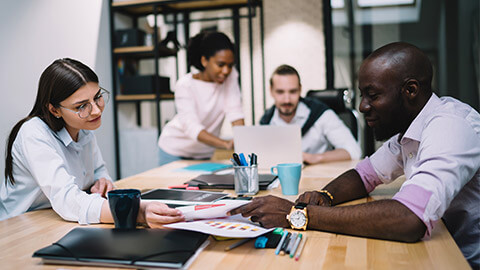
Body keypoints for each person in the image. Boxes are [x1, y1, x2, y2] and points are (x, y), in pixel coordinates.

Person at [229, 42, 480, 268]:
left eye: (373, 95)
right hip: (443, 246)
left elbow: (408, 218)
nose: (362, 106)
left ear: (410, 90)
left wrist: (298, 215)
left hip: (464, 258)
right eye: (362, 95)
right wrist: (324, 196)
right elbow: (364, 175)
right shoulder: (410, 131)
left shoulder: (450, 127)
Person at [1, 58, 184, 227]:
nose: (96, 111)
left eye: (97, 97)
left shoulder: (83, 128)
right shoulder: (34, 133)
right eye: (81, 106)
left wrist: (102, 183)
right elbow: (67, 200)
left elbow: (99, 172)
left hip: (56, 220)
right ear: (54, 110)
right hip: (19, 226)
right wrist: (138, 212)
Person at [157, 31, 245, 165]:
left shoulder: (231, 77)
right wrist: (225, 144)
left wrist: (242, 140)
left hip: (204, 153)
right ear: (204, 61)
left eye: (230, 65)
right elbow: (192, 127)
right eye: (220, 65)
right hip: (174, 150)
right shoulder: (185, 85)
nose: (226, 71)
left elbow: (235, 111)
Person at [260, 65, 361, 164]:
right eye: (280, 92)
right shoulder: (266, 121)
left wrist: (316, 158)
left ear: (300, 89)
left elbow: (354, 151)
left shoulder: (320, 113)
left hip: (319, 177)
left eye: (293, 91)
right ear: (271, 91)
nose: (287, 99)